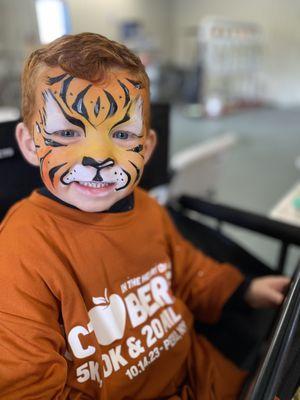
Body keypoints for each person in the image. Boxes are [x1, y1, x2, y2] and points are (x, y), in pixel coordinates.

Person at [0, 33, 290, 400]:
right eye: (68, 132)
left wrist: (243, 290)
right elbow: (29, 389)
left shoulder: (147, 208)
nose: (99, 157)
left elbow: (188, 272)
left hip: (207, 375)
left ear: (147, 146)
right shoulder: (19, 253)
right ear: (29, 144)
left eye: (122, 134)